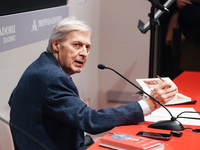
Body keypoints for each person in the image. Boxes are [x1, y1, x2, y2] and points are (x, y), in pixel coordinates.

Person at [8, 17, 178, 150]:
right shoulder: (52, 77)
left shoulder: (42, 66)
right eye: (77, 45)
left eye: (87, 47)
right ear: (56, 45)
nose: (84, 53)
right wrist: (148, 104)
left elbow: (14, 99)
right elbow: (91, 121)